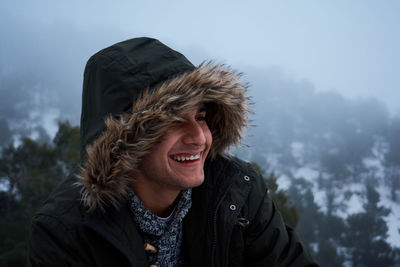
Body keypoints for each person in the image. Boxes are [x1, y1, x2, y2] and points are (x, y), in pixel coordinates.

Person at [27, 37, 318, 267]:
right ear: (124, 142)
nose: (199, 137)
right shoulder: (65, 231)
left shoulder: (238, 195)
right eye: (173, 121)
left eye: (201, 117)